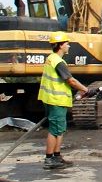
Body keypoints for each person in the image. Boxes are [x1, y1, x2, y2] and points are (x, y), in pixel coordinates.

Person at [38, 31, 89, 170]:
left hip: (52, 99)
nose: (69, 46)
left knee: (59, 129)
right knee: (55, 130)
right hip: (56, 100)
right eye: (67, 43)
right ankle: (49, 159)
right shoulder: (58, 62)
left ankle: (57, 156)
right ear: (60, 45)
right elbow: (71, 80)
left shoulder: (51, 58)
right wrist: (85, 89)